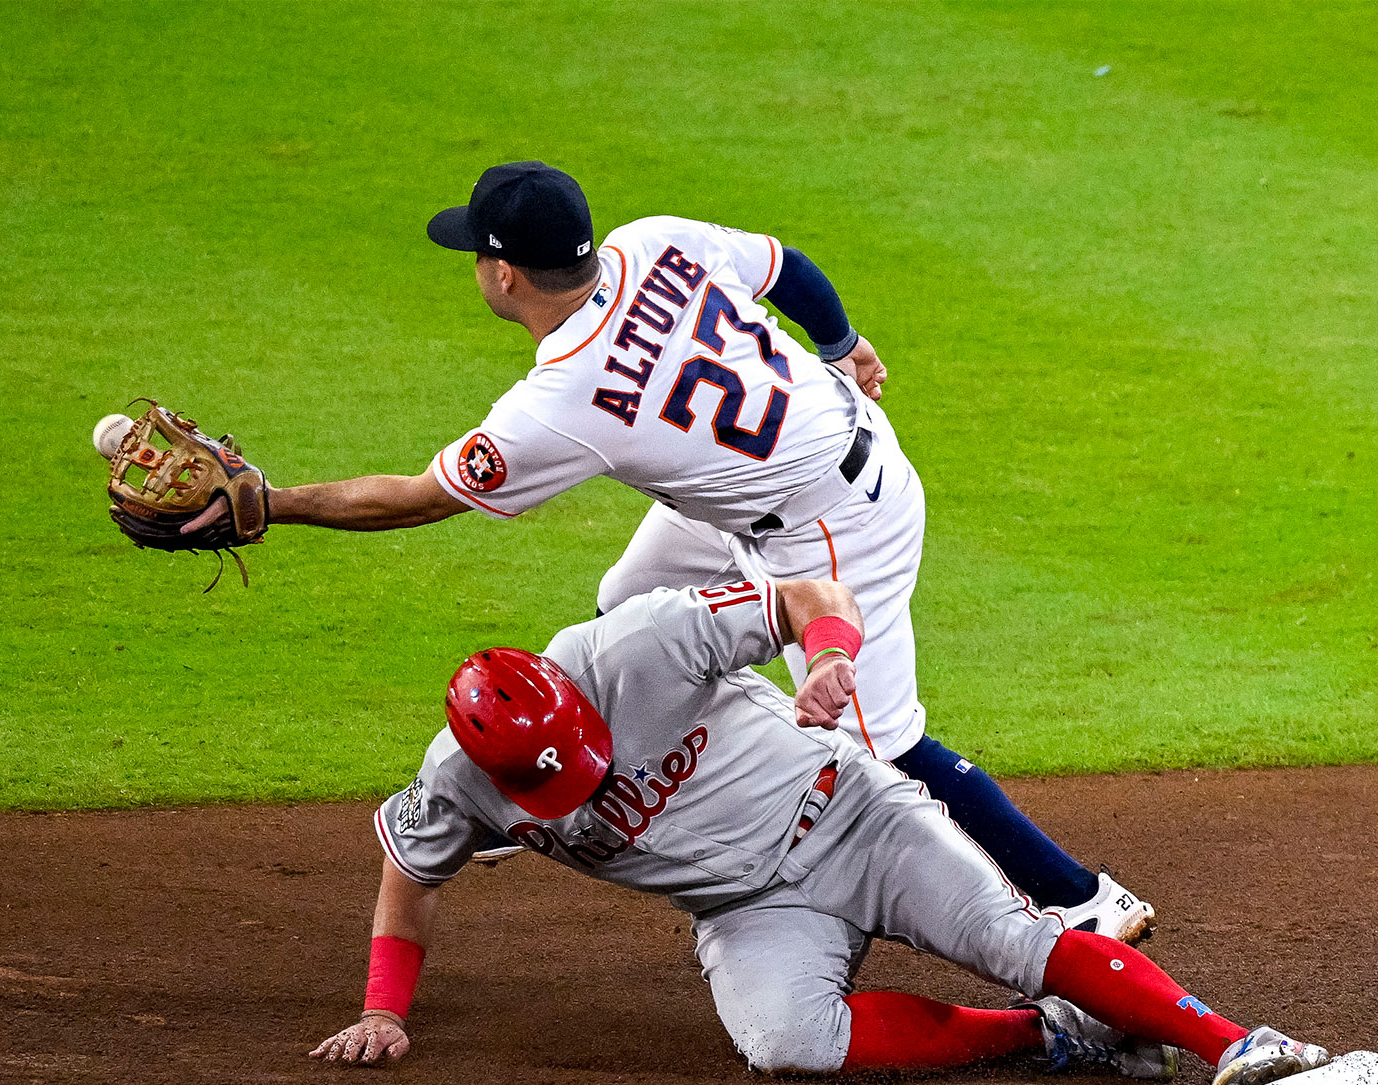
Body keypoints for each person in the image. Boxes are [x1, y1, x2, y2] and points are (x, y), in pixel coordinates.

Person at [209, 160, 1153, 941]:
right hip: (808, 455)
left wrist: (271, 504)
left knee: (882, 743)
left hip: (827, 524)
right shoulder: (652, 240)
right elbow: (787, 269)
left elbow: (418, 500)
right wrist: (844, 343)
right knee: (631, 610)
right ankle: (542, 787)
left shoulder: (557, 403)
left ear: (504, 275)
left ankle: (1080, 900)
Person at [309, 576, 1328, 1085]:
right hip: (752, 910)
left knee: (1013, 935)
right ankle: (1051, 1033)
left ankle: (1237, 1042)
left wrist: (830, 659)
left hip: (851, 814)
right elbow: (407, 871)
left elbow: (805, 598)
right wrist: (381, 1011)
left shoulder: (634, 642)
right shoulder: (454, 783)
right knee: (786, 1045)